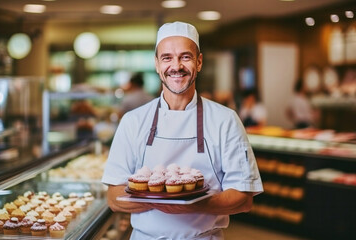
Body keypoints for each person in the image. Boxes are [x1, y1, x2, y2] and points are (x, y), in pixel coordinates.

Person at [102, 21, 263, 240]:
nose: (176, 66)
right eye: (167, 57)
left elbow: (244, 198)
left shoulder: (226, 120)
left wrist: (192, 205)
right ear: (157, 65)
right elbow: (113, 197)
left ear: (199, 62)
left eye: (185, 57)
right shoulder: (133, 121)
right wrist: (164, 198)